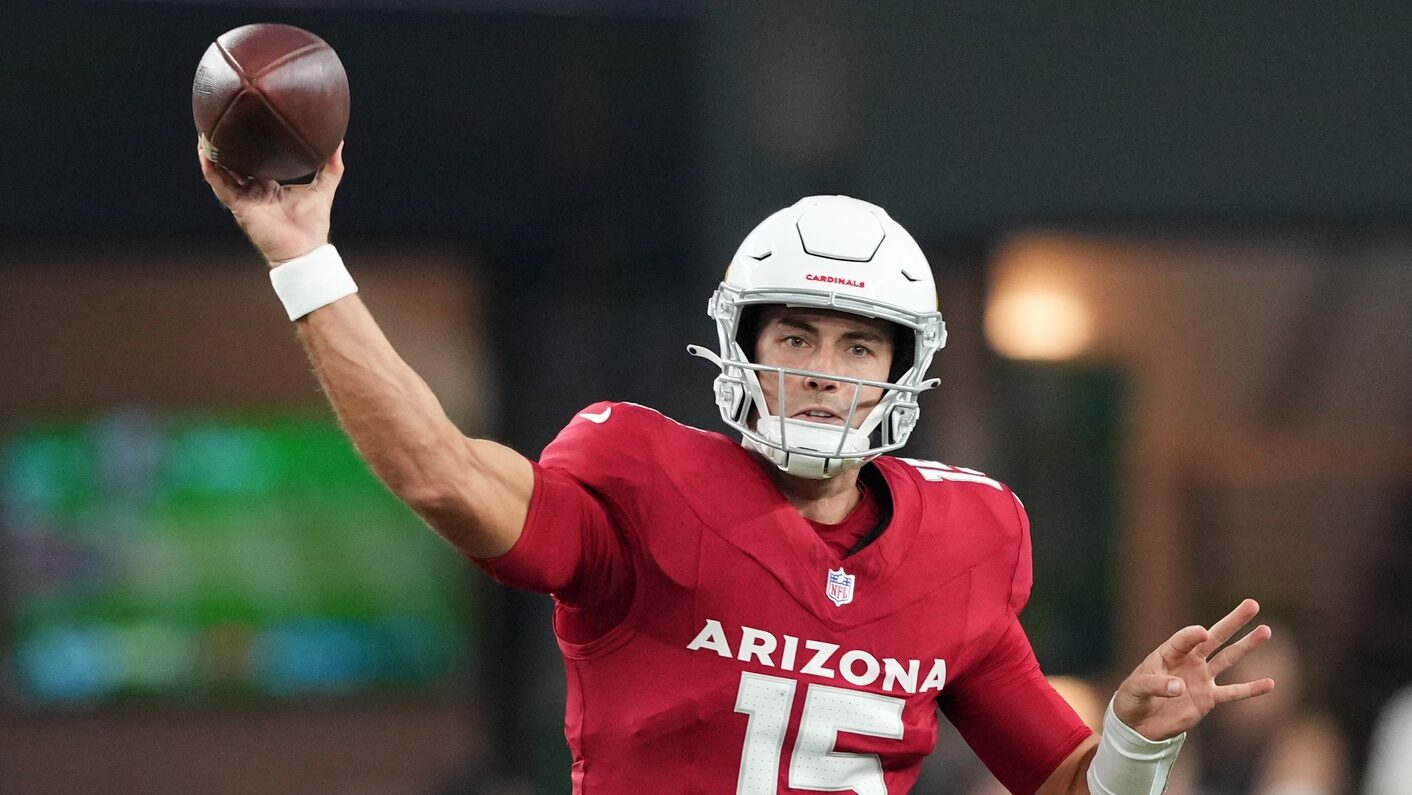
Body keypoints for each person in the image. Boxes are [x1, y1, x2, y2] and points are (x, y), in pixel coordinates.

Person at [199, 140, 1276, 794]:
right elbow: (440, 475)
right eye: (794, 338)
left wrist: (1131, 740)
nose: (821, 371)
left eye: (857, 346)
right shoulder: (635, 480)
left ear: (903, 370)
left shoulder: (968, 539)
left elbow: (1064, 788)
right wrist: (303, 255)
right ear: (743, 351)